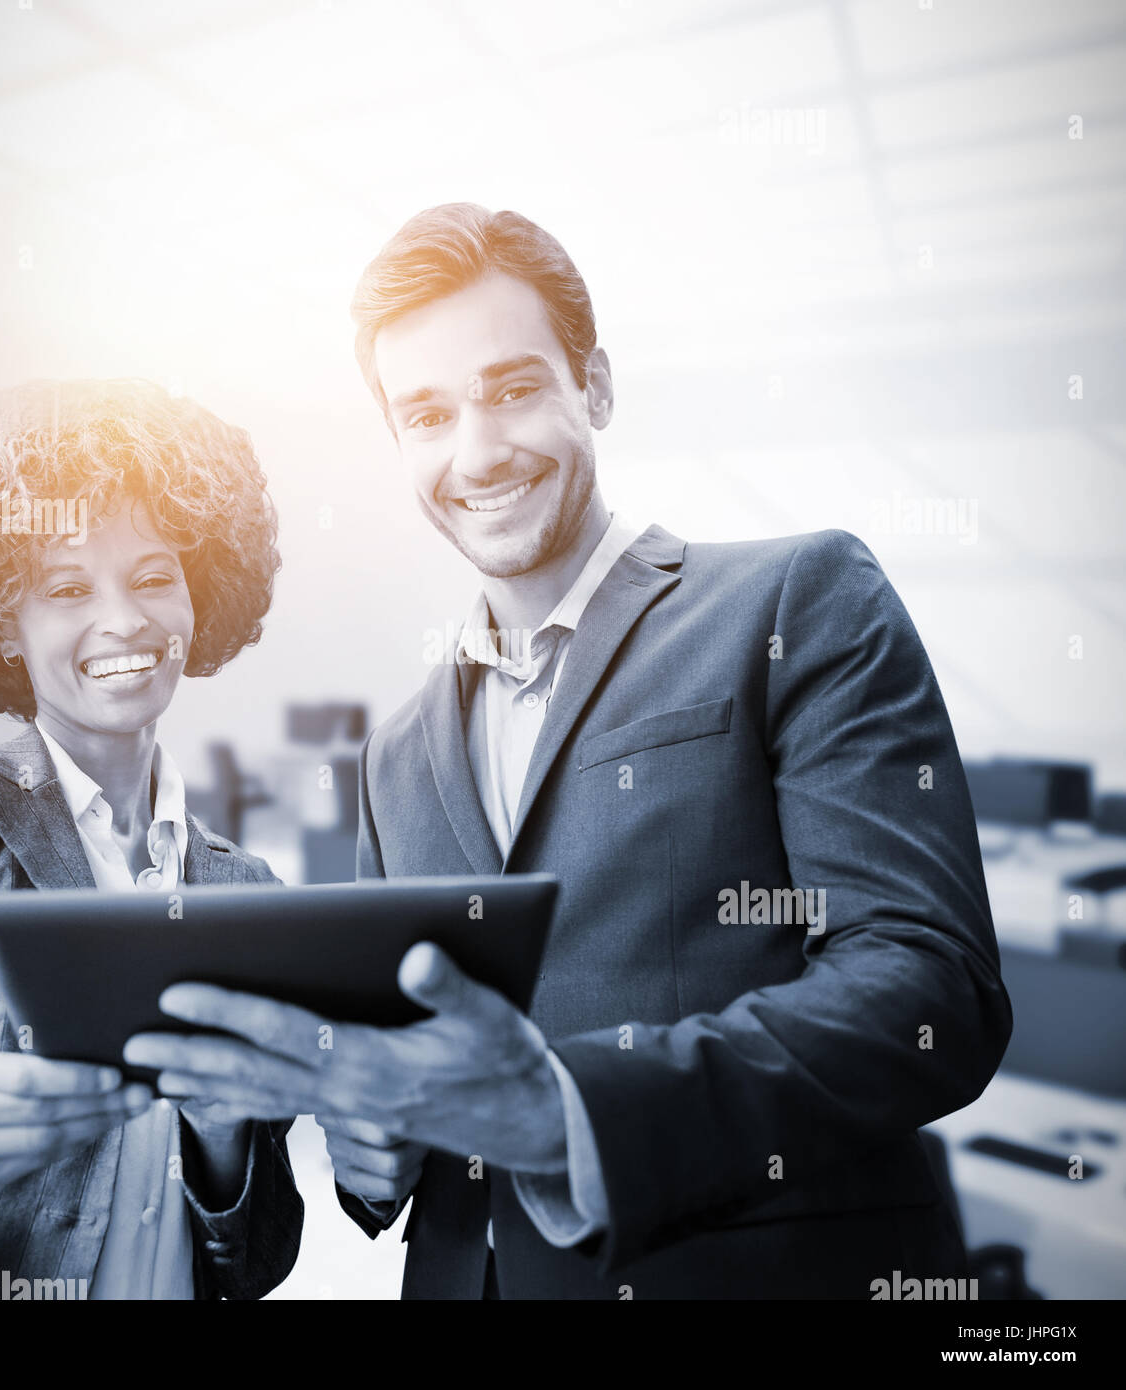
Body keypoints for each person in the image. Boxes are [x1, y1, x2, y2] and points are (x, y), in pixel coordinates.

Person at [126, 205, 1013, 1299]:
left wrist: (562, 1110)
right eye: (428, 414)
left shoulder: (797, 600)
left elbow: (932, 991)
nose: (478, 451)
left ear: (593, 385)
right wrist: (371, 1144)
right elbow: (397, 1107)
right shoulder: (396, 753)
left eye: (512, 389)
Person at [0, 379, 301, 1300]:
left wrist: (221, 1140)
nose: (122, 620)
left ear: (198, 596)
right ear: (4, 620)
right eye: (66, 587)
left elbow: (257, 1262)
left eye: (155, 576)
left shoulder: (245, 888)